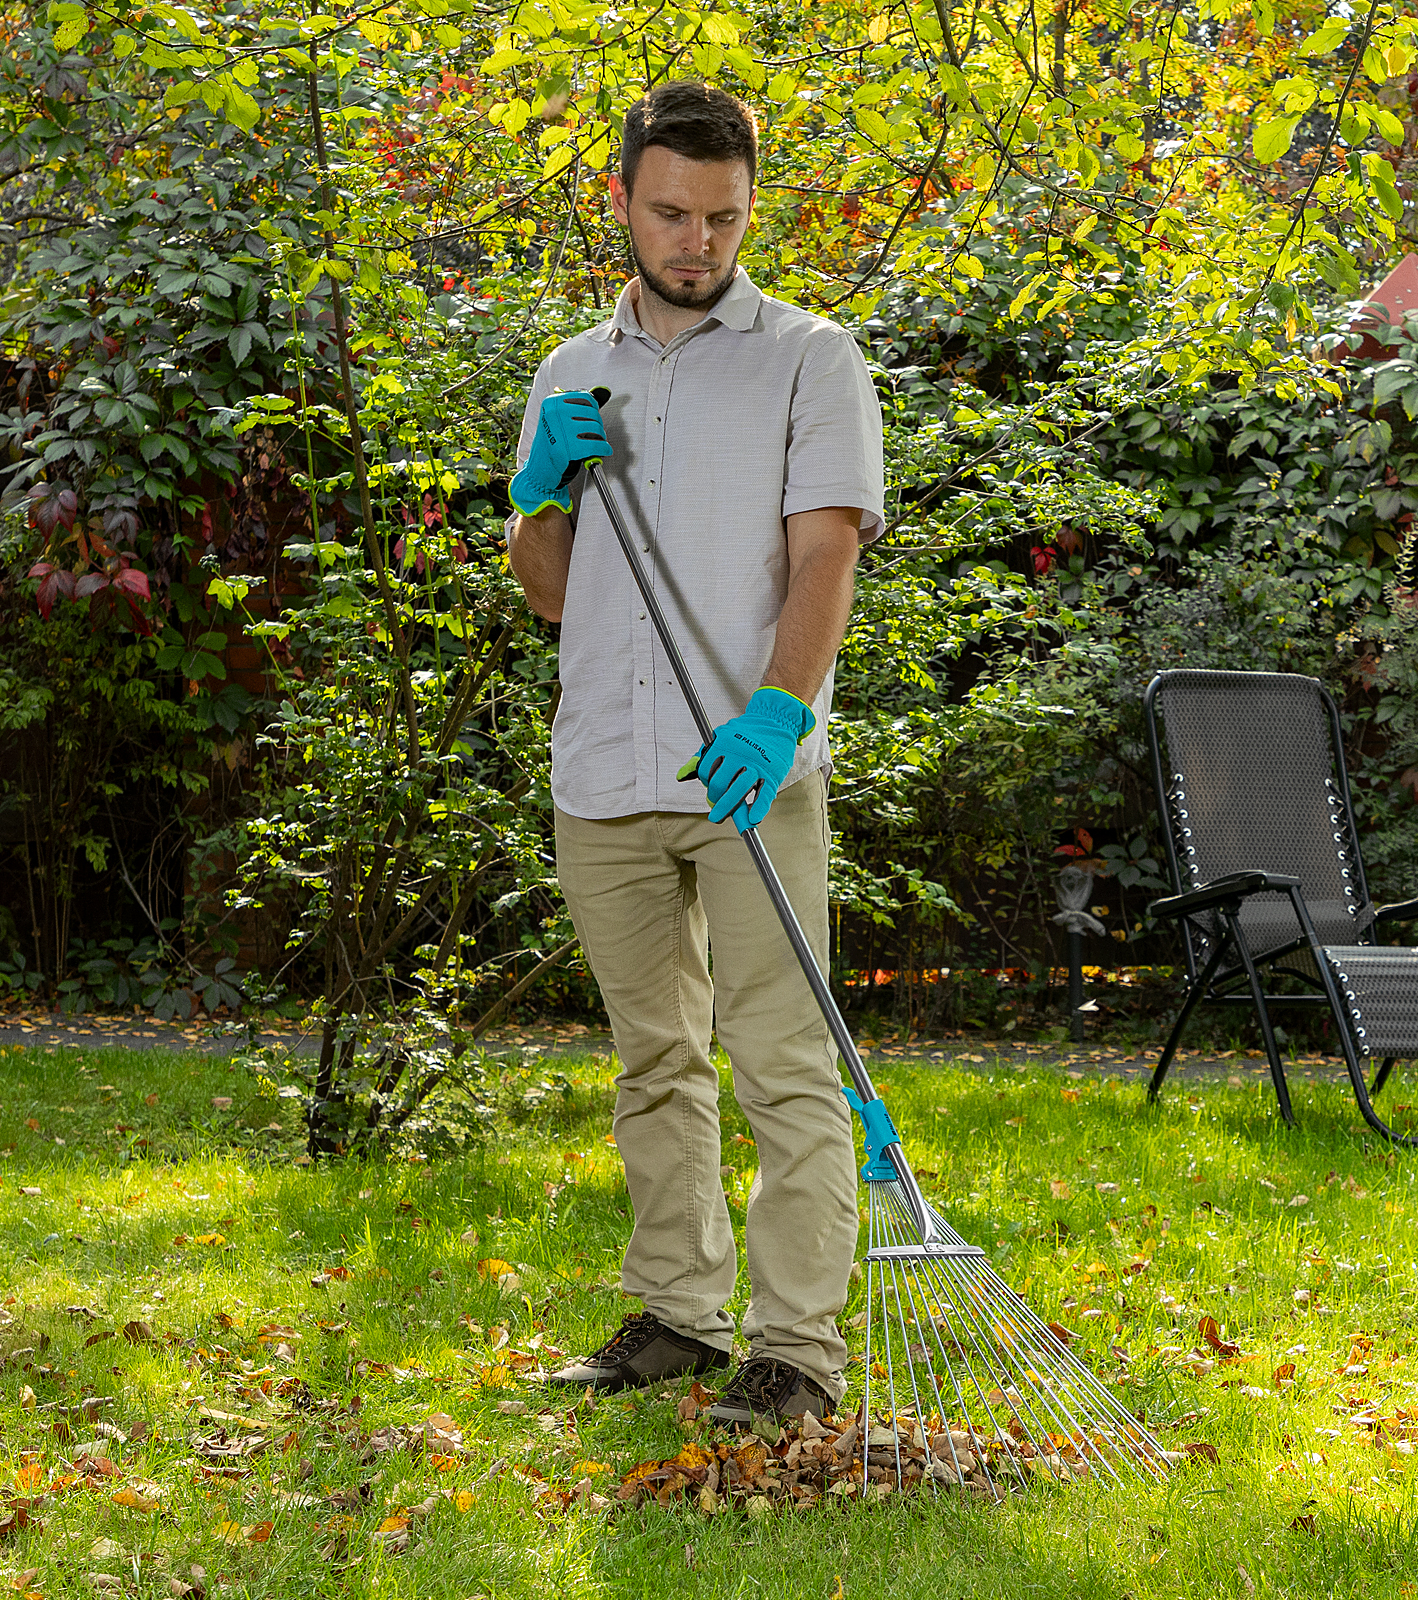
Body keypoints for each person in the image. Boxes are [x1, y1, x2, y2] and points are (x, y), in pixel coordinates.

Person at [504, 80, 884, 1425]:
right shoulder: (567, 373)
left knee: (781, 1058)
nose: (693, 241)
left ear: (748, 212)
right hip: (605, 766)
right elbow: (548, 589)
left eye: (720, 218)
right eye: (669, 212)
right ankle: (680, 1312)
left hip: (747, 768)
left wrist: (778, 714)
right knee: (652, 1056)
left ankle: (797, 1349)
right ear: (622, 200)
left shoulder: (809, 358)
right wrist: (540, 488)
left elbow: (824, 551)